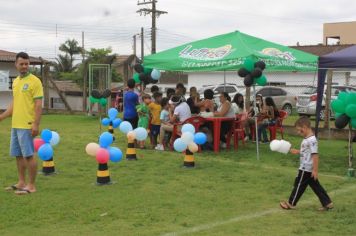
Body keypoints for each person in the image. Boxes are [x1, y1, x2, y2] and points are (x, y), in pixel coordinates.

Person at [0, 52, 43, 195]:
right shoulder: (17, 82)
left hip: (27, 124)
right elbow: (14, 105)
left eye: (26, 63)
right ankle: (21, 182)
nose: (24, 66)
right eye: (21, 64)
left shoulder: (35, 81)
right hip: (15, 125)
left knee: (28, 155)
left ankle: (31, 185)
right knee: (18, 155)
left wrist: (35, 124)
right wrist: (2, 117)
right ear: (16, 65)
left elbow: (38, 105)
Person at [280, 117, 333, 211]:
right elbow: (307, 152)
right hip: (307, 168)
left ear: (304, 127)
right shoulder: (307, 139)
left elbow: (315, 155)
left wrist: (315, 170)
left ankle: (291, 203)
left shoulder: (311, 140)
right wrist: (298, 151)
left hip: (306, 168)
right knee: (316, 186)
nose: (298, 132)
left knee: (299, 185)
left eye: (299, 130)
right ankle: (327, 203)